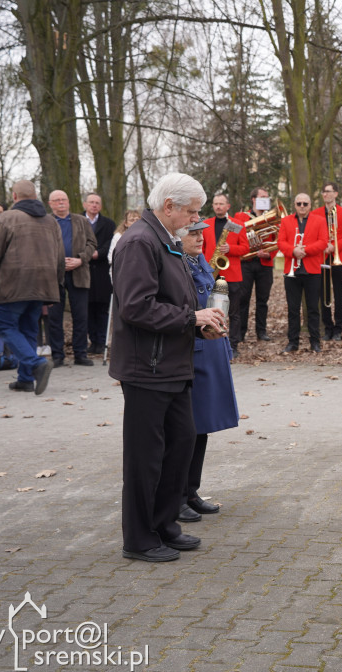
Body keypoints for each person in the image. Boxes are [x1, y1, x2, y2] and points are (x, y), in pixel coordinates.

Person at [108, 172, 226, 563]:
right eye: (192, 212)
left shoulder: (165, 240)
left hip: (172, 363)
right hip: (148, 367)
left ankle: (164, 525)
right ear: (169, 206)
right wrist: (191, 318)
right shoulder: (139, 242)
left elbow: (176, 299)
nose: (196, 220)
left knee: (181, 444)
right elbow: (136, 307)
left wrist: (200, 325)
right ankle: (139, 538)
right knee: (145, 457)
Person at [0, 180, 63, 394]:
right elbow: (59, 257)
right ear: (35, 196)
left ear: (14, 196)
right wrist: (56, 286)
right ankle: (25, 379)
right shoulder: (51, 222)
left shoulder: (6, 219)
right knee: (29, 329)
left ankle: (36, 364)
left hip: (10, 285)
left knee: (5, 327)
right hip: (42, 285)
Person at [178, 221, 238, 522]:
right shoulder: (177, 262)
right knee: (186, 429)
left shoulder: (198, 259)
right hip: (194, 351)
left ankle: (191, 491)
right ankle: (176, 497)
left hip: (211, 347)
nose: (200, 237)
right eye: (193, 233)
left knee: (201, 427)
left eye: (201, 232)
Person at [47, 190, 96, 367]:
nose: (61, 202)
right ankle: (57, 355)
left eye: (63, 199)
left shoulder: (81, 221)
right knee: (54, 317)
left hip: (79, 273)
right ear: (50, 204)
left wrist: (81, 259)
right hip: (54, 275)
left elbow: (92, 243)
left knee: (81, 316)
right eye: (56, 200)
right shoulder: (45, 221)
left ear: (68, 202)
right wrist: (57, 262)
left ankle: (80, 354)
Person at [277, 193, 329, 353]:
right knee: (293, 309)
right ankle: (293, 342)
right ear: (294, 205)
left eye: (305, 204)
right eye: (299, 203)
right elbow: (281, 242)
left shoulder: (320, 220)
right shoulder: (286, 221)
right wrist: (293, 250)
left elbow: (323, 242)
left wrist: (304, 250)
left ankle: (315, 342)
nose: (302, 206)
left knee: (313, 308)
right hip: (292, 270)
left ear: (310, 205)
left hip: (312, 270)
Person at [232, 187, 276, 342]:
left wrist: (269, 254)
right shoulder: (240, 216)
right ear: (253, 199)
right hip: (246, 263)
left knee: (263, 300)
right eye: (262, 196)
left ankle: (261, 332)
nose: (265, 199)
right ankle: (241, 332)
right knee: (243, 299)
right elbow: (234, 235)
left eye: (267, 196)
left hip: (265, 263)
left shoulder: (271, 217)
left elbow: (277, 240)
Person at [203, 194, 244, 356]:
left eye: (221, 204)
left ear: (228, 206)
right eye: (215, 204)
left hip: (232, 274)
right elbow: (202, 249)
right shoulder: (206, 224)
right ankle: (212, 343)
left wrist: (231, 249)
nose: (218, 206)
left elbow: (245, 248)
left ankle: (233, 345)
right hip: (211, 273)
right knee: (210, 309)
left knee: (234, 312)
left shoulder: (237, 224)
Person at [316, 182, 342, 341]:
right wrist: (323, 246)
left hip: (339, 257)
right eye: (323, 192)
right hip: (322, 257)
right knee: (323, 293)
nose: (326, 194)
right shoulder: (315, 213)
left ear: (336, 194)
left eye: (329, 191)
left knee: (338, 294)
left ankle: (338, 328)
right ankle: (328, 328)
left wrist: (335, 246)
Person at [83, 193, 116, 355]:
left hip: (102, 272)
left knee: (102, 309)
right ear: (85, 204)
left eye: (97, 202)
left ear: (100, 206)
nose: (94, 205)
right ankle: (93, 341)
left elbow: (110, 244)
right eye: (91, 202)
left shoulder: (109, 224)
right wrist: (86, 255)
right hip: (83, 270)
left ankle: (101, 342)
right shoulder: (78, 221)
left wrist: (99, 253)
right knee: (88, 309)